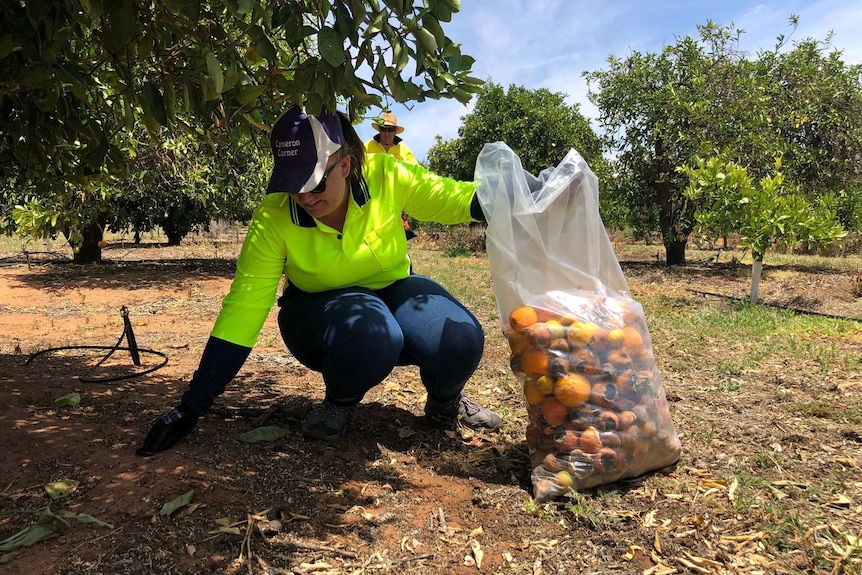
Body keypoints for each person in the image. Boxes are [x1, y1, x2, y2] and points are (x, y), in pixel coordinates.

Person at [136, 105, 501, 456]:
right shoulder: (274, 216)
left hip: (393, 288)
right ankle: (339, 403)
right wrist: (192, 406)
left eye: (315, 183)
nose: (304, 197)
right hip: (318, 310)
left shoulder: (386, 174)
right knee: (374, 334)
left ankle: (445, 402)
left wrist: (523, 194)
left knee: (461, 338)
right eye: (294, 184)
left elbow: (454, 200)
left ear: (344, 165)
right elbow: (244, 308)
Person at [365, 112, 418, 240]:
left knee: (397, 237)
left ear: (395, 132)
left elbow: (416, 173)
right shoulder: (367, 147)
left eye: (390, 130)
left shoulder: (403, 150)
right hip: (373, 198)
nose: (387, 133)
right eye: (384, 129)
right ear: (379, 130)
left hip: (398, 199)